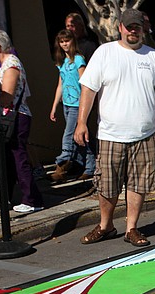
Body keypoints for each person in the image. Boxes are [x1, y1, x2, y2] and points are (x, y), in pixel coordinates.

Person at [74, 8, 155, 246]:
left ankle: (132, 228)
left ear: (143, 29)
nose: (133, 31)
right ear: (120, 27)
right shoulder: (104, 53)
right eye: (129, 27)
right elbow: (89, 90)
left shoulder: (153, 57)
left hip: (146, 134)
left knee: (139, 183)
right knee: (107, 183)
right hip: (111, 134)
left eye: (137, 27)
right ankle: (105, 225)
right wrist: (81, 123)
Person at [0, 30, 43, 214]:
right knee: (10, 159)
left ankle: (32, 199)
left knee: (19, 158)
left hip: (16, 116)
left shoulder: (11, 65)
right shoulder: (4, 65)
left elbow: (7, 97)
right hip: (11, 116)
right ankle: (7, 194)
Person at [49, 30, 95, 183]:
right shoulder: (62, 62)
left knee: (68, 133)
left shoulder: (79, 60)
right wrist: (54, 106)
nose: (64, 44)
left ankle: (62, 162)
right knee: (78, 137)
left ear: (72, 41)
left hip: (77, 104)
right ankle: (89, 165)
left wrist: (85, 103)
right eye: (61, 42)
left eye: (67, 41)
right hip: (66, 104)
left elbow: (84, 83)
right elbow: (60, 85)